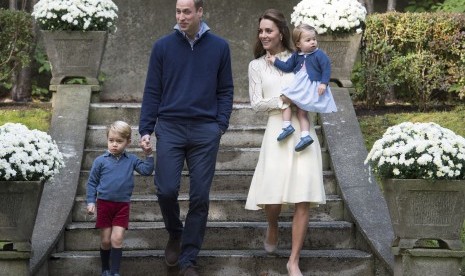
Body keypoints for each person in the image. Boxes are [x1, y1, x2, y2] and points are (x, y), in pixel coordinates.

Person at [138, 0, 234, 275]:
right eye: (178, 11)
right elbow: (152, 91)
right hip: (170, 127)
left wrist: (220, 125)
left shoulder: (219, 47)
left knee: (200, 197)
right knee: (166, 189)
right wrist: (146, 129)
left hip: (206, 130)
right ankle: (175, 233)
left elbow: (226, 89)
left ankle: (188, 258)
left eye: (187, 12)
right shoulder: (162, 47)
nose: (181, 17)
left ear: (200, 12)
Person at [245, 9, 326, 276]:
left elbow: (316, 89)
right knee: (273, 196)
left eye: (269, 30)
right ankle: (272, 224)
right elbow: (256, 103)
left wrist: (305, 97)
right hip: (276, 132)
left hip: (303, 132)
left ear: (282, 32)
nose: (264, 35)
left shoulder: (301, 58)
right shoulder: (256, 65)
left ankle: (293, 260)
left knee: (302, 197)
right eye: (261, 31)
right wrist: (283, 100)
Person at [86, 121, 154, 276]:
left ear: (128, 142)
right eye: (111, 141)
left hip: (122, 206)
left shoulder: (131, 160)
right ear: (107, 140)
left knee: (117, 239)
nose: (114, 144)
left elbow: (146, 171)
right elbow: (92, 183)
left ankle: (115, 272)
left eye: (119, 141)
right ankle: (105, 269)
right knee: (105, 240)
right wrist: (91, 201)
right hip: (104, 204)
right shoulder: (100, 161)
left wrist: (149, 154)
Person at [266, 23, 337, 152]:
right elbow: (288, 67)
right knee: (300, 111)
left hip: (309, 87)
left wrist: (324, 83)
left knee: (284, 99)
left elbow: (326, 68)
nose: (313, 42)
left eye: (314, 39)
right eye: (308, 40)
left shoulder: (319, 54)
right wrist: (275, 61)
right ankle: (305, 135)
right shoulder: (296, 56)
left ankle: (287, 126)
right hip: (300, 86)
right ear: (298, 44)